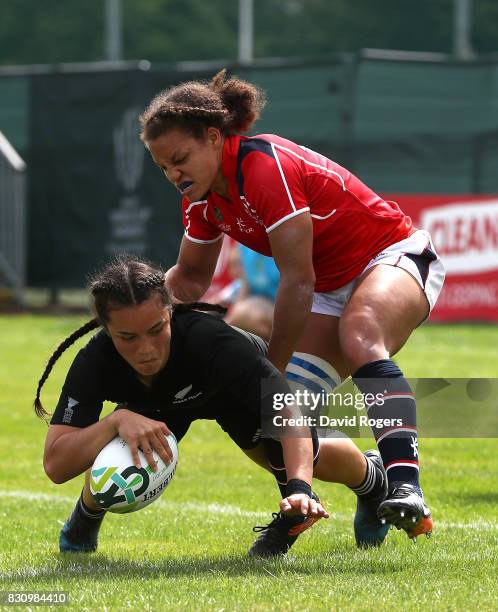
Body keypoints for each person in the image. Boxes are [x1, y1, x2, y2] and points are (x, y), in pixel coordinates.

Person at [138, 69, 446, 541]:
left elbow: (298, 282)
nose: (174, 174)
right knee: (274, 423)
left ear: (216, 138)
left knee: (360, 334)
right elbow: (191, 279)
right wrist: (138, 317)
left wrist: (272, 369)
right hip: (327, 286)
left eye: (180, 159)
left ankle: (407, 487)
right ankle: (371, 481)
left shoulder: (263, 167)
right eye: (163, 168)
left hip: (392, 255)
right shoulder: (201, 197)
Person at [34, 255, 390, 557]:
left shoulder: (215, 343)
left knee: (295, 459)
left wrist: (299, 488)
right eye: (127, 337)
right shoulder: (95, 360)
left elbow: (288, 412)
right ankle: (85, 518)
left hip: (229, 392)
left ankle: (373, 481)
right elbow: (56, 463)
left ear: (170, 314)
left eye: (157, 329)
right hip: (157, 407)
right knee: (120, 443)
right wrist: (116, 422)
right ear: (106, 331)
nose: (146, 349)